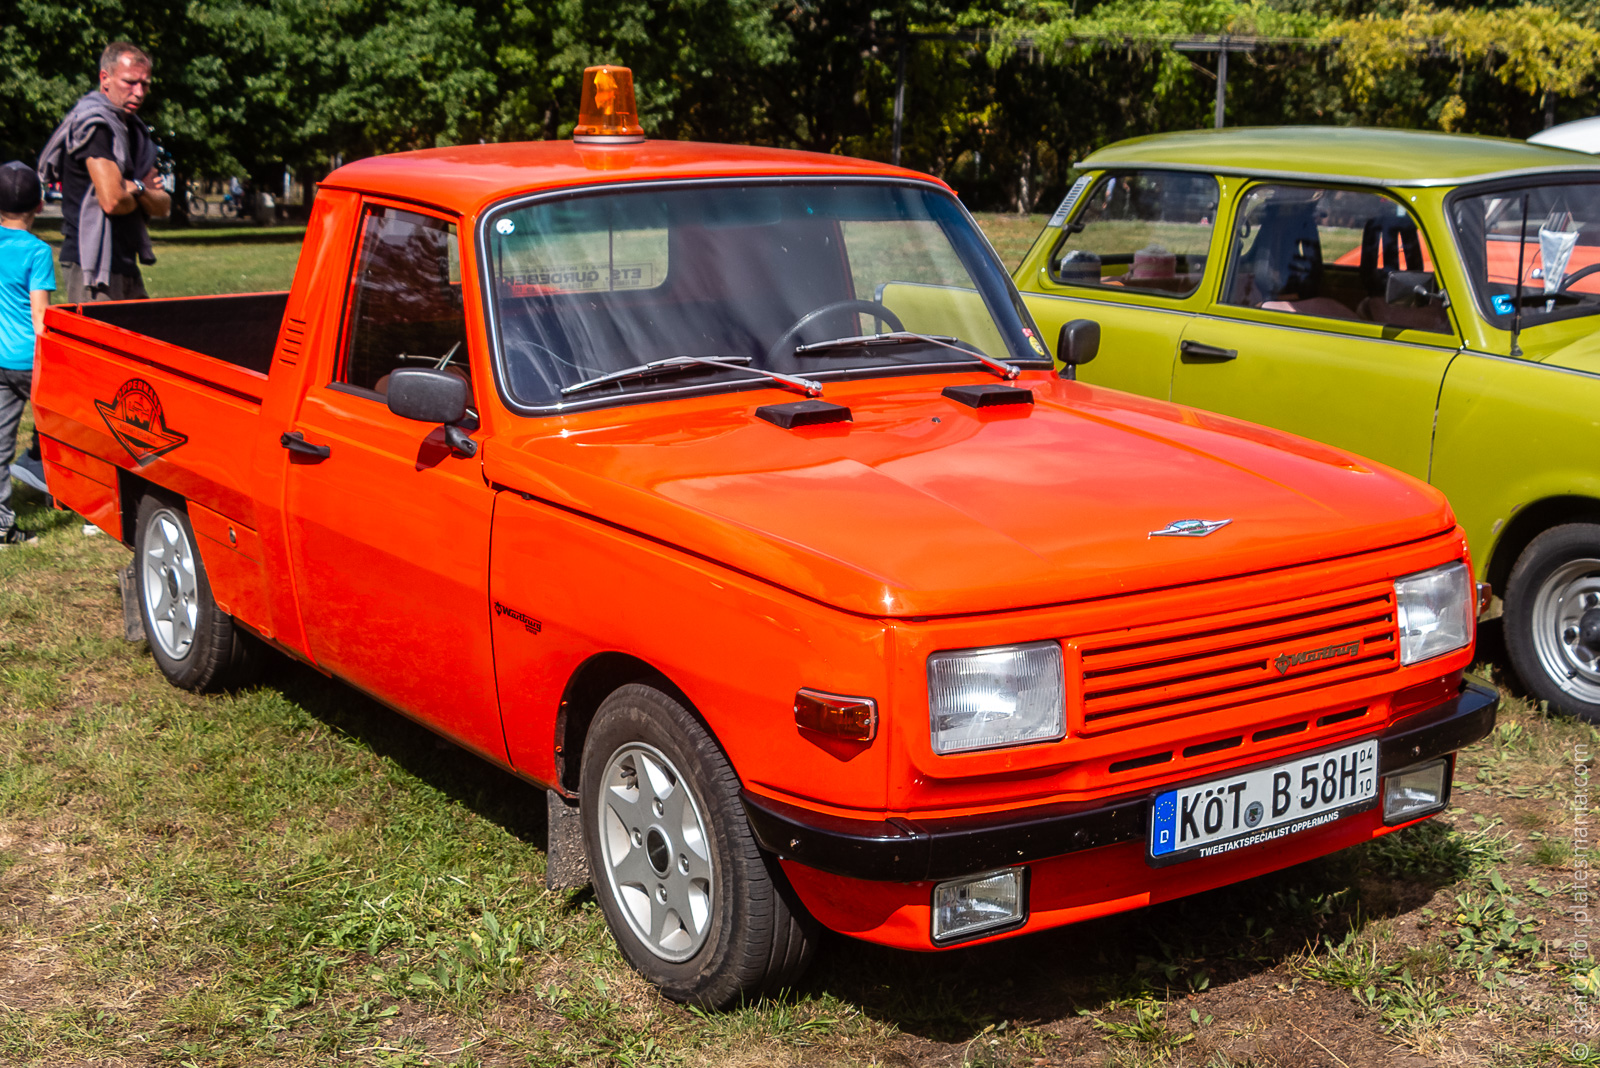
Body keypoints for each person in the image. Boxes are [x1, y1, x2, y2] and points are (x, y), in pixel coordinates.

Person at [37, 41, 169, 302]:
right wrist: (141, 191)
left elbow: (163, 206)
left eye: (145, 84)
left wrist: (136, 189)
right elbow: (112, 201)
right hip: (92, 265)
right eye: (130, 82)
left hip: (125, 260)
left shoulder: (135, 132)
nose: (139, 92)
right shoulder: (96, 126)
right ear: (105, 78)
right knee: (100, 332)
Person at [0, 161, 55, 546]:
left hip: (0, 361)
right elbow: (40, 315)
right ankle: (67, 496)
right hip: (32, 361)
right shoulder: (37, 251)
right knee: (58, 432)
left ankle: (2, 525)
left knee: (1, 443)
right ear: (39, 204)